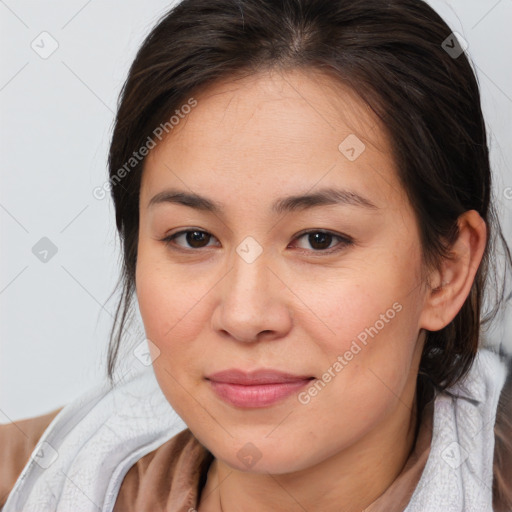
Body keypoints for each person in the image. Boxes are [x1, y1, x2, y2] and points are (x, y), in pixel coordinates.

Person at [1, 0, 511, 511]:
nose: (244, 317)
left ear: (447, 271)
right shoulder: (58, 470)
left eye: (319, 239)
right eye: (194, 238)